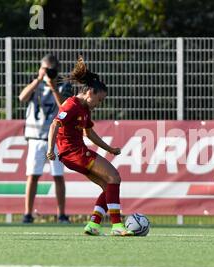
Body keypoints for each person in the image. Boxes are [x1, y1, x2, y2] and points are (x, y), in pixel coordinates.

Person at [46, 56, 134, 236]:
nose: (98, 105)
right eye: (99, 100)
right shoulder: (71, 105)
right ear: (90, 93)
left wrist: (110, 149)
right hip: (73, 153)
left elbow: (89, 133)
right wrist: (49, 150)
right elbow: (55, 124)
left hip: (75, 153)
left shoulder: (84, 108)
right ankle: (117, 226)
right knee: (114, 176)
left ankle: (93, 225)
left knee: (108, 185)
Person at [19, 54, 72, 223]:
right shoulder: (36, 84)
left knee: (58, 175)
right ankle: (27, 213)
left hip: (55, 137)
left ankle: (61, 214)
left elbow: (64, 107)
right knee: (32, 175)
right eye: (45, 68)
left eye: (51, 70)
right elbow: (22, 98)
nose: (48, 72)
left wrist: (53, 86)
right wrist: (38, 80)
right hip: (35, 137)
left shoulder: (63, 85)